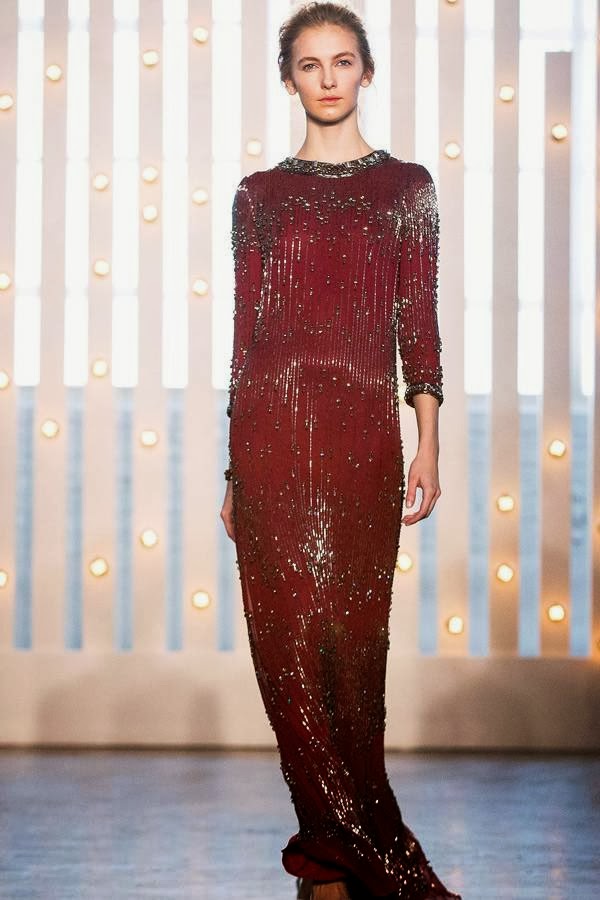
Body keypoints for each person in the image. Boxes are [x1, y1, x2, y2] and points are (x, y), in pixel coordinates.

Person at [220, 3, 461, 898]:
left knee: (353, 645)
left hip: (363, 433)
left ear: (365, 72)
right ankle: (330, 853)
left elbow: (419, 325)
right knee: (282, 643)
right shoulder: (258, 197)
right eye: (310, 64)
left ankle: (356, 841)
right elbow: (244, 341)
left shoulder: (408, 189)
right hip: (271, 435)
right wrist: (234, 473)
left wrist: (426, 442)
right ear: (290, 79)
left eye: (343, 61)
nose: (327, 77)